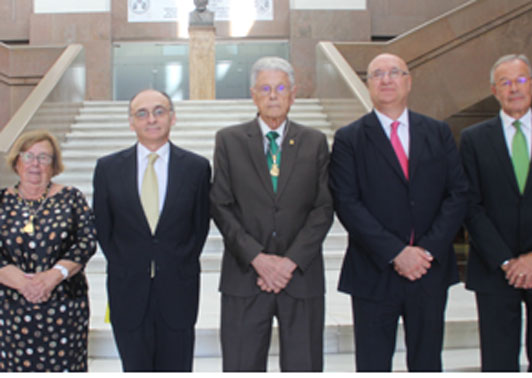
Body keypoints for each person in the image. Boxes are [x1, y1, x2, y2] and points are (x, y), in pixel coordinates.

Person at [329, 53, 468, 371]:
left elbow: (458, 193)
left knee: (427, 361)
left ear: (408, 81)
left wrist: (426, 251)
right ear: (368, 85)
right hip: (374, 271)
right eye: (377, 74)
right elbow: (347, 202)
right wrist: (396, 252)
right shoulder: (349, 139)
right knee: (373, 363)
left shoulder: (438, 132)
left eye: (394, 72)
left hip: (429, 270)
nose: (386, 79)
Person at [210, 56, 333, 372]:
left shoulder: (315, 142)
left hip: (301, 278)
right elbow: (221, 206)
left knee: (304, 366)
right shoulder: (229, 140)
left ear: (293, 95)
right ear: (253, 94)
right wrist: (259, 259)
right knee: (241, 366)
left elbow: (323, 208)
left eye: (281, 88)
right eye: (265, 88)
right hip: (245, 277)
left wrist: (289, 262)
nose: (273, 95)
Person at [92, 89, 210, 371]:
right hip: (128, 289)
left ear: (173, 117)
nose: (151, 119)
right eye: (141, 113)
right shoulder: (108, 168)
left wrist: (176, 261)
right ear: (131, 122)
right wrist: (129, 263)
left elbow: (200, 227)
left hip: (178, 289)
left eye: (159, 111)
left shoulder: (197, 167)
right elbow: (105, 229)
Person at [460, 54, 532, 371]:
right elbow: (470, 204)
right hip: (494, 269)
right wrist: (507, 261)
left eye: (520, 80)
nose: (514, 89)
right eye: (505, 82)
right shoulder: (473, 139)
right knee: (497, 363)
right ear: (494, 91)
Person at [0, 130, 97, 372]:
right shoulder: (2, 200)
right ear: (16, 161)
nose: (35, 164)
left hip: (64, 307)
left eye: (44, 158)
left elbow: (86, 241)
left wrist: (53, 276)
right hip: (10, 309)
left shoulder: (71, 198)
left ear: (54, 165)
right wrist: (22, 283)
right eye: (29, 156)